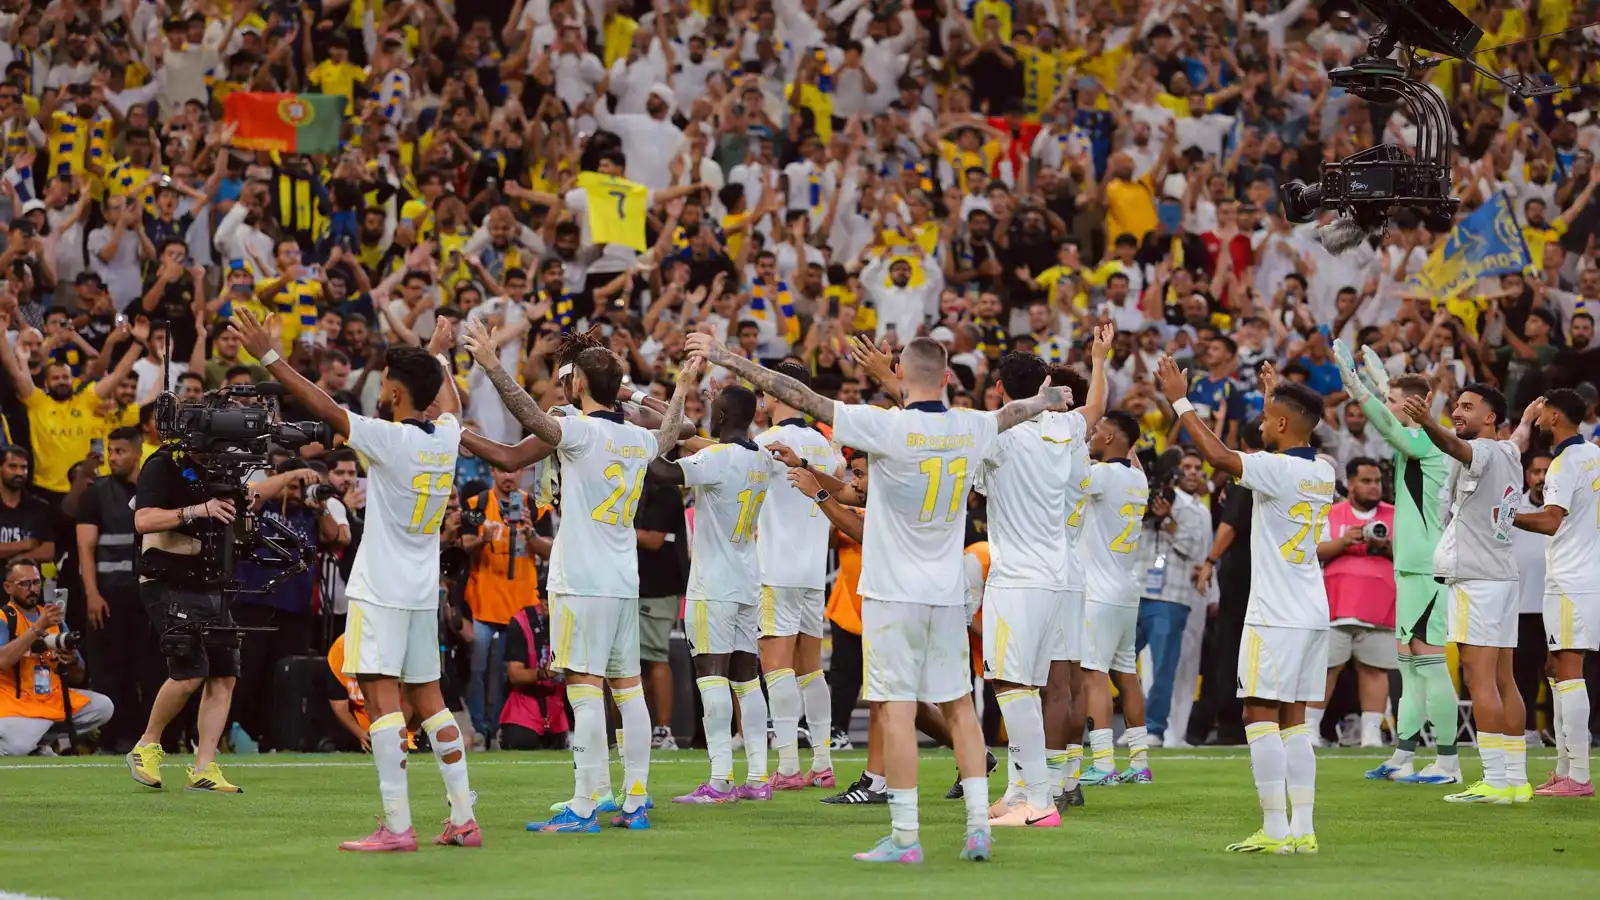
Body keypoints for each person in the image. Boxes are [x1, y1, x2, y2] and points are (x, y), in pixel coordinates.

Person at [684, 329, 1070, 864]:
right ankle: (979, 826)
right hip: (945, 592)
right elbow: (1015, 414)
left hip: (891, 592)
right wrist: (1046, 400)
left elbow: (797, 395)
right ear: (950, 378)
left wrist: (727, 357)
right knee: (959, 707)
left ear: (903, 375)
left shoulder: (886, 426)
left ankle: (906, 837)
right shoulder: (972, 426)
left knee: (894, 708)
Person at [228, 309, 480, 851]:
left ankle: (397, 826)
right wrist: (437, 355)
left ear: (392, 393)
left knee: (382, 702)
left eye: (387, 381)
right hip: (419, 590)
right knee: (431, 701)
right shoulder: (445, 438)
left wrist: (269, 355)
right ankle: (463, 817)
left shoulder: (388, 440)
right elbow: (452, 404)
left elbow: (325, 406)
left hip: (379, 589)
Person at [461, 317, 693, 833]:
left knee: (584, 688)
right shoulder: (638, 438)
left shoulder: (577, 431)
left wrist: (495, 366)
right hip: (622, 579)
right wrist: (678, 388)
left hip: (580, 578)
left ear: (579, 383)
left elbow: (526, 417)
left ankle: (584, 805)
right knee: (627, 689)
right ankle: (634, 800)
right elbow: (678, 433)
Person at [1157, 355, 1334, 855]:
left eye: (1266, 415)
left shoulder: (1274, 470)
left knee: (1259, 713)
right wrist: (1271, 397)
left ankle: (1274, 829)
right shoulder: (1324, 470)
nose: (1258, 421)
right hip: (1311, 610)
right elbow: (1280, 438)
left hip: (1273, 614)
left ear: (1280, 423)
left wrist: (1178, 398)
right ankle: (1303, 829)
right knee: (1296, 721)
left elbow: (1218, 456)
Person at [977, 327, 1111, 827]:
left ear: (999, 389)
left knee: (1012, 687)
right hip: (1059, 576)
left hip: (1016, 577)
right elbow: (1094, 409)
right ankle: (1019, 793)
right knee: (1029, 688)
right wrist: (1100, 360)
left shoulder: (997, 432)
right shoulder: (1066, 429)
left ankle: (1039, 802)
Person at [1334, 341, 1460, 784]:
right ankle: (1403, 755)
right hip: (1408, 567)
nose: (1386, 405)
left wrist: (1356, 387)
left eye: (1391, 399)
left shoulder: (1427, 442)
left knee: (1429, 661)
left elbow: (1390, 424)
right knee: (1408, 665)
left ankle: (1448, 762)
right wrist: (1379, 382)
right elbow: (1395, 414)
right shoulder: (1415, 438)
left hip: (1428, 568)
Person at [1401, 383, 1528, 804]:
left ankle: (1493, 779)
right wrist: (1527, 420)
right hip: (1503, 576)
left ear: (1490, 418)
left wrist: (1426, 423)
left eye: (1468, 407)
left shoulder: (1488, 451)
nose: (1458, 411)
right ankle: (1516, 779)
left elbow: (1458, 449)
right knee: (1504, 677)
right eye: (1456, 405)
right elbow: (1519, 436)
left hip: (1475, 578)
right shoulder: (1512, 451)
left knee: (1479, 677)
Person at [652, 383, 771, 804]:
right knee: (746, 678)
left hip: (713, 585)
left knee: (711, 676)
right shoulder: (763, 458)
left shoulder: (715, 459)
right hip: (746, 580)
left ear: (720, 417)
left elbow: (663, 472)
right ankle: (758, 778)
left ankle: (720, 780)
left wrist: (640, 444)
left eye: (712, 411)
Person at [754, 361, 846, 791]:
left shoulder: (766, 442)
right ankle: (823, 763)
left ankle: (788, 765)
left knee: (776, 667)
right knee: (811, 670)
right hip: (813, 571)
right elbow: (843, 481)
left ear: (775, 394)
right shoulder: (827, 447)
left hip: (776, 567)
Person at [1512, 389, 1600, 798]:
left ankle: (1579, 776)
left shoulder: (1564, 464)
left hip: (1568, 578)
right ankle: (1565, 767)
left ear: (1557, 415)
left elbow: (1551, 522)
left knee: (1569, 671)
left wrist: (1507, 515)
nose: (1540, 416)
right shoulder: (1595, 455)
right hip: (1585, 575)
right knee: (1556, 667)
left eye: (1544, 411)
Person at [1076, 409, 1154, 785]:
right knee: (1127, 676)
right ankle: (1139, 764)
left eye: (1098, 430)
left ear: (1110, 439)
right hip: (1126, 590)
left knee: (1093, 675)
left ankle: (1103, 763)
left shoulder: (1101, 476)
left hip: (1098, 591)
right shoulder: (1140, 480)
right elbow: (1130, 452)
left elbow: (1066, 477)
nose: (1091, 433)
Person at [74, 427, 162, 754]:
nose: (113, 457)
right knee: (109, 670)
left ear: (139, 453)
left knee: (146, 669)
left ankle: (146, 739)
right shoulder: (96, 493)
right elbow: (86, 548)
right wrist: (91, 594)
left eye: (120, 451)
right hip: (108, 596)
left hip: (148, 596)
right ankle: (112, 739)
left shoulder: (154, 493)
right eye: (111, 451)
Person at [1308, 457, 1397, 748]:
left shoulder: (1395, 514)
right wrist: (1344, 542)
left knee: (1375, 669)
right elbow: (1316, 551)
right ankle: (1309, 729)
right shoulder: (1331, 514)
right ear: (1350, 484)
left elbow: (1409, 557)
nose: (1374, 487)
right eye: (1366, 481)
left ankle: (1371, 735)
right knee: (1325, 668)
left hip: (1380, 606)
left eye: (1377, 481)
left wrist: (1386, 547)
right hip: (1336, 605)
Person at [460, 466, 551, 748]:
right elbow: (462, 543)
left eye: (514, 470)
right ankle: (479, 727)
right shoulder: (477, 504)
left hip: (523, 605)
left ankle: (503, 727)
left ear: (522, 472)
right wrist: (481, 539)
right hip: (484, 602)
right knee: (477, 668)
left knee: (508, 672)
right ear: (491, 471)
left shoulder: (536, 506)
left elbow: (552, 549)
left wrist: (531, 534)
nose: (508, 476)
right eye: (502, 470)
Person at [1132, 448, 1211, 747]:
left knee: (1164, 667)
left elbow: (1193, 551)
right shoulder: (1141, 501)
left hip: (1172, 595)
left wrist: (1168, 519)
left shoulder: (1193, 510)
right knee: (1117, 664)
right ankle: (1132, 723)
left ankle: (1153, 729)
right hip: (1135, 590)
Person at [0, 558, 113, 755]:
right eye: (25, 583)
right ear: (8, 588)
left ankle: (36, 743)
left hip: (51, 698)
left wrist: (72, 660)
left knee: (103, 707)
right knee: (16, 748)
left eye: (36, 582)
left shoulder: (53, 616)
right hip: (15, 703)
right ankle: (29, 743)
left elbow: (78, 675)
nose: (33, 589)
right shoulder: (4, 618)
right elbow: (2, 661)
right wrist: (37, 629)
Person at [634, 475, 687, 751]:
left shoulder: (664, 491)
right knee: (628, 663)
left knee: (655, 657)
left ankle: (663, 731)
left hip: (658, 588)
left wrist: (610, 530)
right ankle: (635, 729)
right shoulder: (631, 486)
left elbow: (654, 540)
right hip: (632, 585)